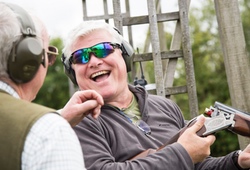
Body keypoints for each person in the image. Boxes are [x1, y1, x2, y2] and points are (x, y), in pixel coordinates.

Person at [61, 20, 250, 170]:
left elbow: (197, 165)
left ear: (124, 56)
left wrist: (238, 161)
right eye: (81, 57)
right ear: (72, 72)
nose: (94, 61)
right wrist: (181, 153)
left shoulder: (164, 106)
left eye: (103, 49)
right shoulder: (76, 121)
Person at [0, 3, 103, 170]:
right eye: (48, 54)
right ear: (29, 59)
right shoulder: (50, 134)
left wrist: (59, 117)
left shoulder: (48, 129)